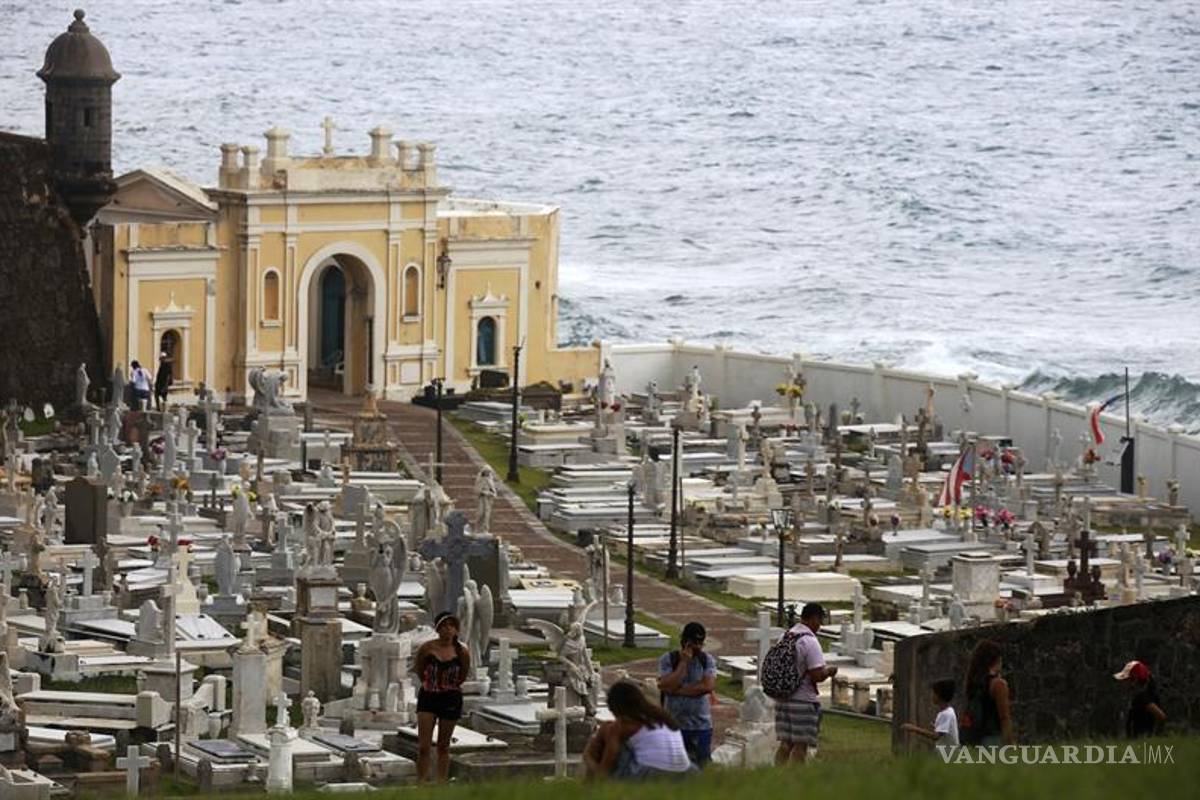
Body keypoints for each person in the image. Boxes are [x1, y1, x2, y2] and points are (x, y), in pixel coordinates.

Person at [584, 681, 694, 780]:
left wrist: (588, 757)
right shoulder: (661, 715)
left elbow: (604, 770)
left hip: (651, 774)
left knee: (605, 731)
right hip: (686, 772)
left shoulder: (623, 725)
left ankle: (587, 791)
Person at [774, 602, 838, 764]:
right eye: (820, 621)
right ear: (814, 618)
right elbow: (817, 675)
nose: (820, 626)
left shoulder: (786, 636)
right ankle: (797, 782)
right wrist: (830, 671)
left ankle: (775, 778)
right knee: (800, 746)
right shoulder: (809, 641)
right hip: (803, 700)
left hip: (783, 698)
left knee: (785, 744)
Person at [411, 612, 470, 782]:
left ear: (456, 629)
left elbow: (463, 675)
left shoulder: (462, 652)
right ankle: (421, 782)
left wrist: (447, 686)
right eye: (444, 626)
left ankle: (441, 782)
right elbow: (420, 670)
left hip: (450, 698)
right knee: (424, 746)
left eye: (451, 626)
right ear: (437, 629)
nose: (448, 629)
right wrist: (432, 685)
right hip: (429, 697)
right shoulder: (427, 648)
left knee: (443, 746)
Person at [657, 621, 717, 766]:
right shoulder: (669, 659)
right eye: (693, 643)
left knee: (703, 767)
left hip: (701, 726)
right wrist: (683, 663)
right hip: (674, 725)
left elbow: (707, 686)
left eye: (700, 643)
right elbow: (664, 684)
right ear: (684, 641)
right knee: (675, 767)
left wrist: (678, 690)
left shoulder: (706, 660)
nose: (696, 647)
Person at [960, 640, 1014, 746]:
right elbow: (1004, 717)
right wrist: (1010, 743)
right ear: (997, 660)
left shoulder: (973, 684)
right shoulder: (998, 684)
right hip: (992, 739)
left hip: (971, 740)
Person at [1114, 660, 1166, 738]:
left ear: (1134, 681)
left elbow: (1161, 716)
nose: (1122, 683)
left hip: (1142, 741)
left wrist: (1153, 736)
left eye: (1125, 680)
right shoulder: (1139, 697)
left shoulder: (1143, 698)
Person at [901, 679, 958, 748]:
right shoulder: (948, 711)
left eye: (934, 693)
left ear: (939, 696)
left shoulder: (946, 714)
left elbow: (935, 736)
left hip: (948, 755)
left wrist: (913, 728)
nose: (932, 696)